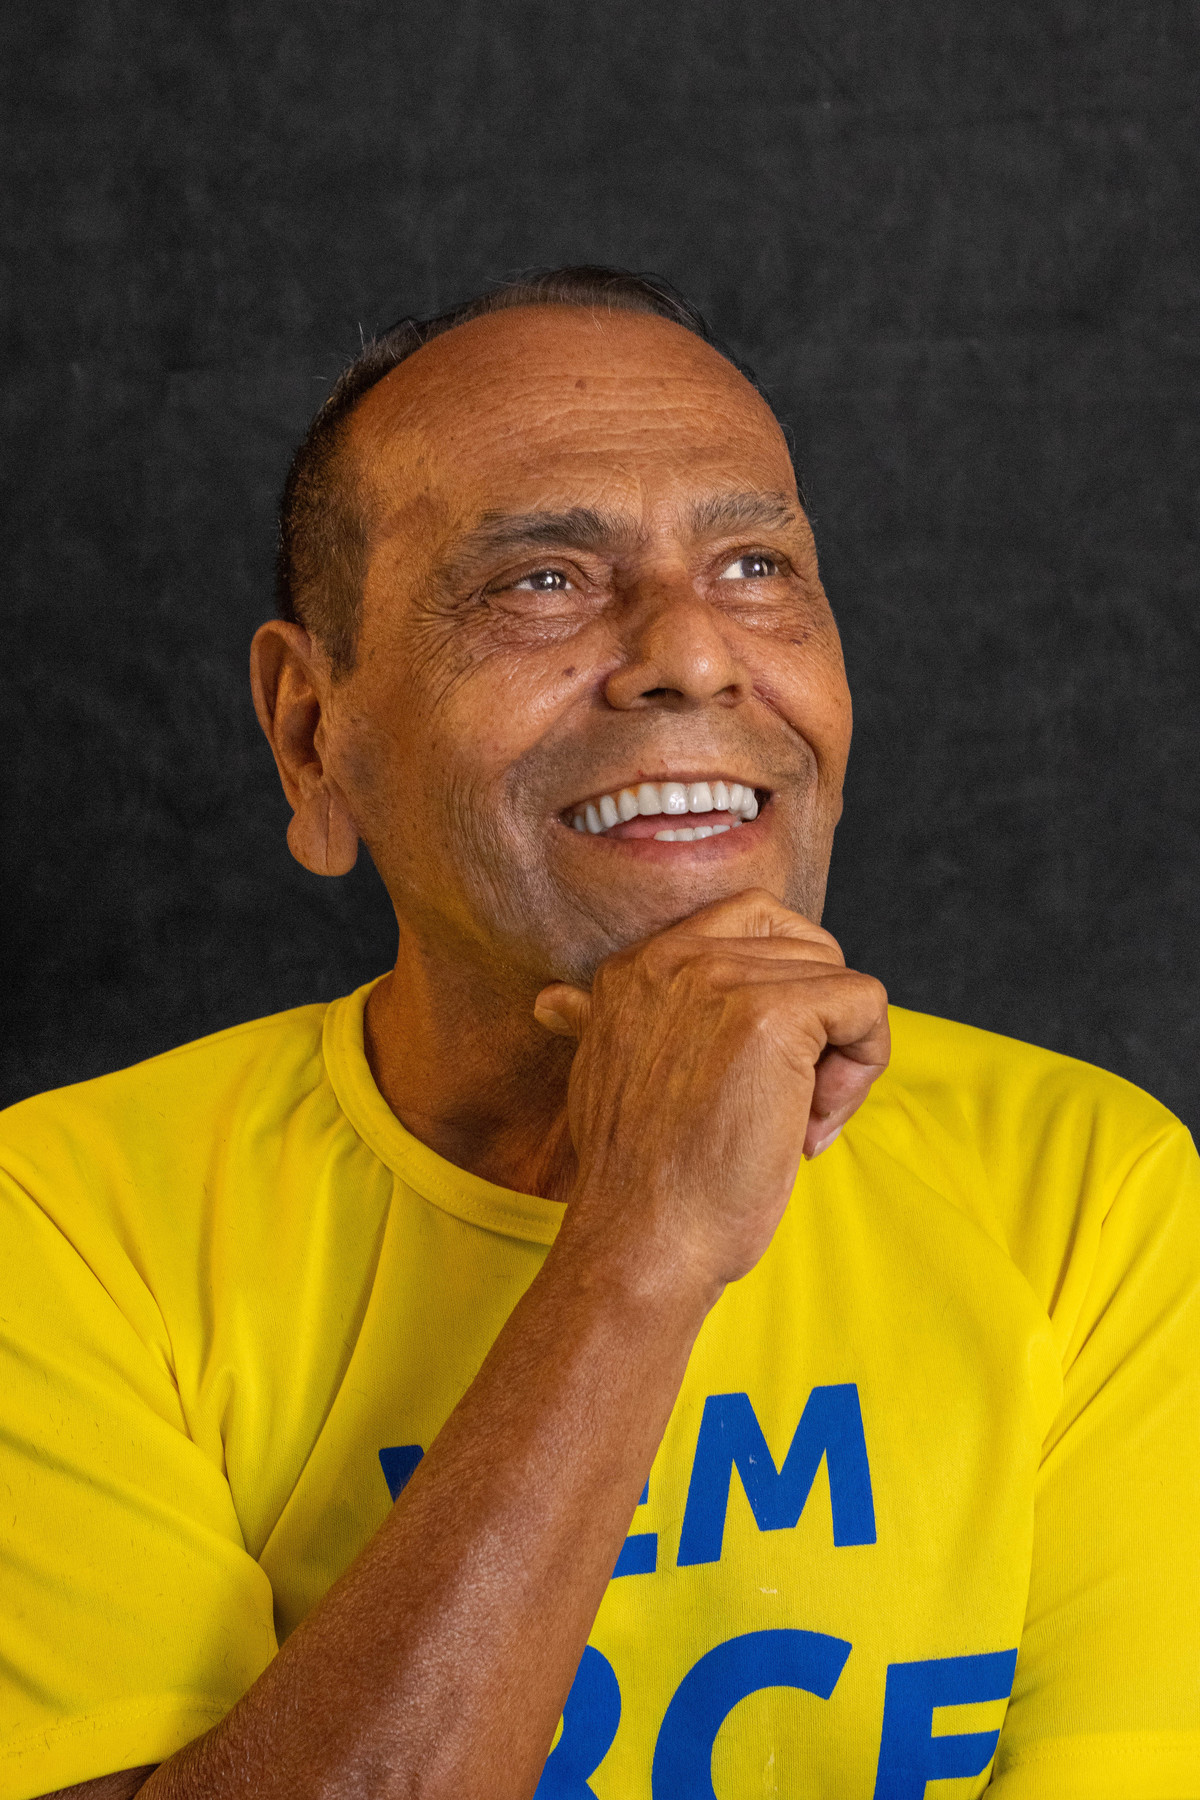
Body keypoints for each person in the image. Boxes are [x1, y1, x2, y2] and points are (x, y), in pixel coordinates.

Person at [1, 266, 1197, 1800]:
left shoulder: (1087, 1190)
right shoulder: (67, 1227)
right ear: (313, 736)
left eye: (755, 565)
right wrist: (642, 1247)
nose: (693, 654)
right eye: (542, 581)